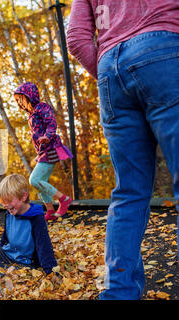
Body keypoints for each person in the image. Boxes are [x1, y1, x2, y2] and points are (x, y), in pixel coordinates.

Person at [66, 0, 179, 300]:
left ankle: (119, 294)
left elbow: (76, 37)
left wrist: (106, 71)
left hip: (110, 70)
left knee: (128, 192)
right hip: (166, 51)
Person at [14, 82, 73, 221]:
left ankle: (63, 199)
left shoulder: (42, 107)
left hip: (50, 148)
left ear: (30, 97)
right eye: (18, 102)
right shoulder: (32, 114)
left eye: (22, 100)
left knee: (34, 180)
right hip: (43, 151)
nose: (21, 104)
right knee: (42, 181)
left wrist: (48, 135)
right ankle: (51, 211)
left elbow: (51, 122)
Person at [0, 174, 58, 275]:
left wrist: (51, 272)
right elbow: (5, 237)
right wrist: (0, 250)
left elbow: (44, 246)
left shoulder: (36, 217)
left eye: (9, 201)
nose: (6, 205)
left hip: (25, 262)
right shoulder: (10, 212)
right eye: (3, 202)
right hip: (9, 256)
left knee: (1, 266)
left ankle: (5, 273)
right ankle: (4, 270)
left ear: (24, 196)